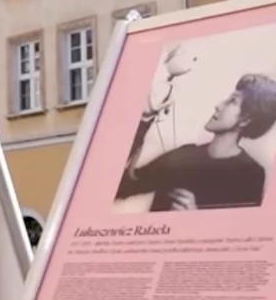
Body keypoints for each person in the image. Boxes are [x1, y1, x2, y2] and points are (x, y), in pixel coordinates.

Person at [116, 74, 276, 212]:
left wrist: (195, 217)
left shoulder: (250, 174)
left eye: (231, 102)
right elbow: (124, 186)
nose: (218, 105)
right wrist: (144, 119)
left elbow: (244, 238)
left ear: (246, 119)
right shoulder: (184, 156)